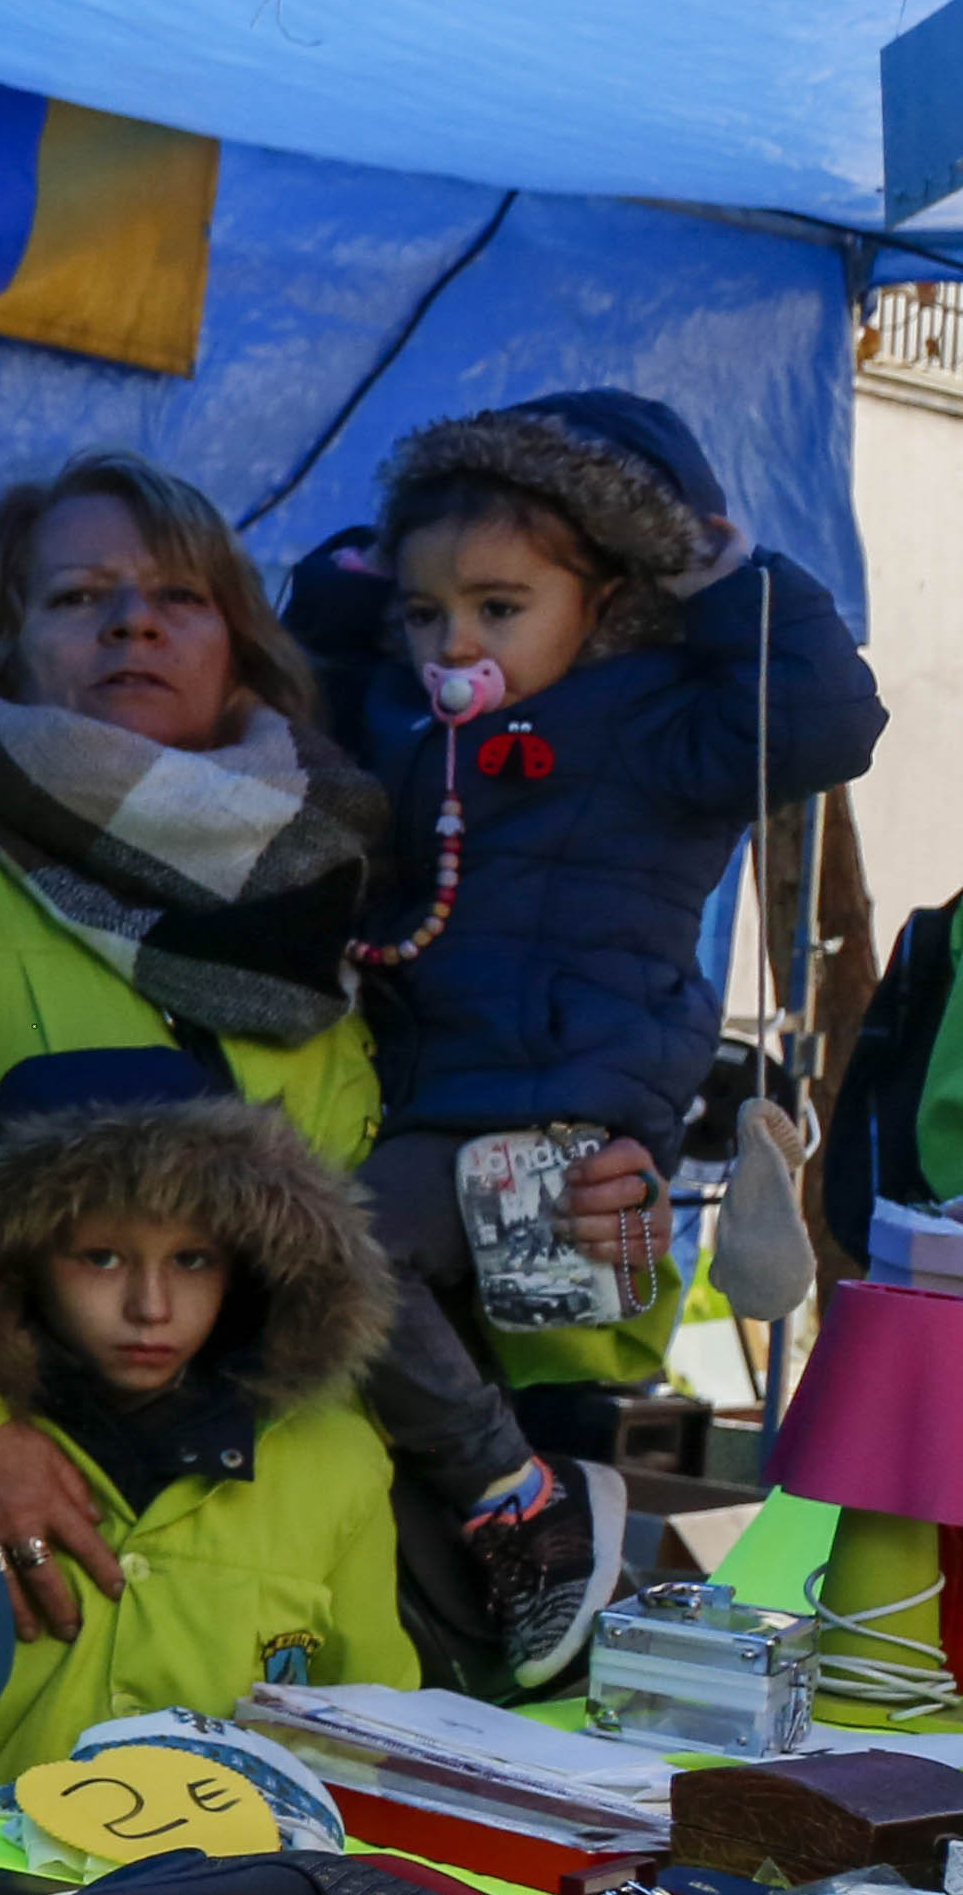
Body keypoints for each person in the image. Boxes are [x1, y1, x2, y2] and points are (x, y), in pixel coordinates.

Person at [0, 453, 644, 1688]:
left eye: (181, 596)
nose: (134, 622)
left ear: (241, 648)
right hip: (26, 1583)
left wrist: (602, 1222)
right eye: (79, 597)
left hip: (305, 1579)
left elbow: (400, 1253)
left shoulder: (334, 896)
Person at [291, 391, 882, 1679]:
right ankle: (516, 1581)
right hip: (424, 1093)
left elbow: (830, 721)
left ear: (607, 598)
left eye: (500, 607)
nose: (456, 641)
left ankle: (524, 1499)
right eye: (425, 611)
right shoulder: (408, 725)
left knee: (342, 1256)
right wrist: (345, 585)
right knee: (402, 1340)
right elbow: (306, 688)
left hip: (560, 1103)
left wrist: (724, 575)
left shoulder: (659, 725)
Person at [0, 1054, 409, 1787]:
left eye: (193, 1260)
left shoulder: (337, 1461)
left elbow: (376, 1745)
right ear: (13, 1260)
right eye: (101, 1258)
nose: (151, 1307)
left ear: (251, 1263)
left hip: (231, 1859)